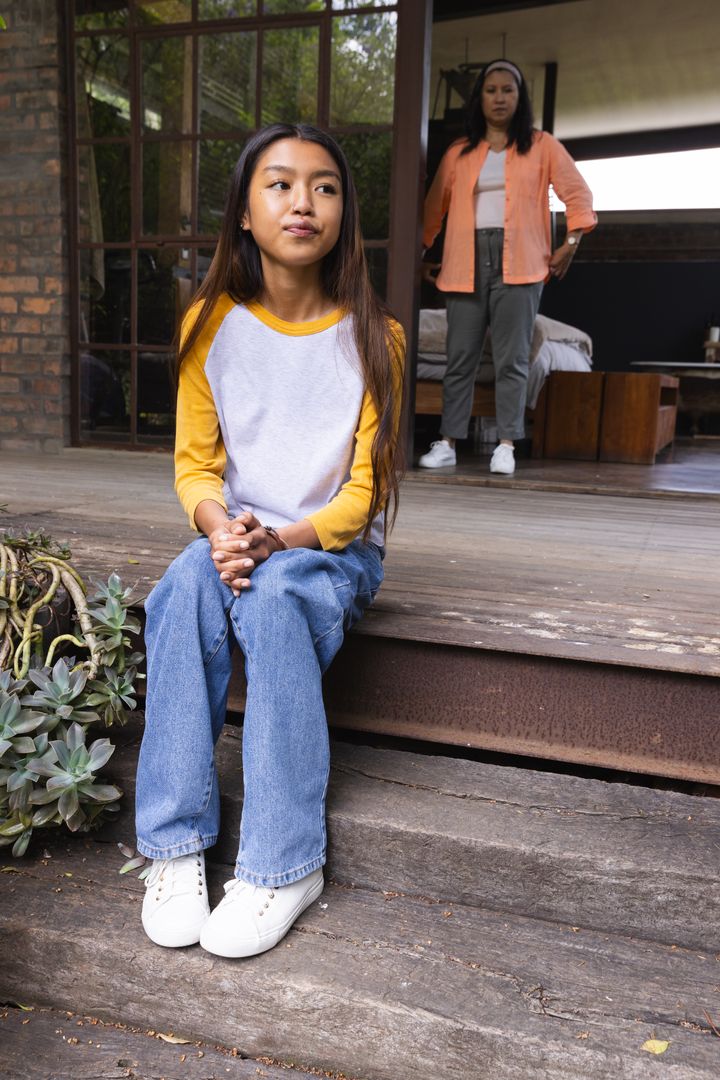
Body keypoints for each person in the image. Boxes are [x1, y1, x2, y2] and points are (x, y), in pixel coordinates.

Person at [134, 123, 405, 958]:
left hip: (328, 550)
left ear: (343, 214)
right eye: (280, 184)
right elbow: (195, 468)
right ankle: (174, 846)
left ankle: (285, 864)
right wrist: (223, 531)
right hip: (241, 533)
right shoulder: (210, 324)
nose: (303, 202)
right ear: (245, 215)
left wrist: (276, 543)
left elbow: (361, 497)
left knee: (278, 595)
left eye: (324, 187)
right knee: (183, 585)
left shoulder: (378, 337)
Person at [419, 58, 596, 475]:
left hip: (522, 263)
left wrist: (571, 243)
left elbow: (578, 194)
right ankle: (448, 443)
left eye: (508, 90)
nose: (499, 98)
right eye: (491, 90)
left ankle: (505, 444)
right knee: (460, 357)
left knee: (512, 358)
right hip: (464, 260)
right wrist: (420, 255)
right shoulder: (459, 152)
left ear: (520, 97)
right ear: (480, 99)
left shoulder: (542, 146)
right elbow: (433, 209)